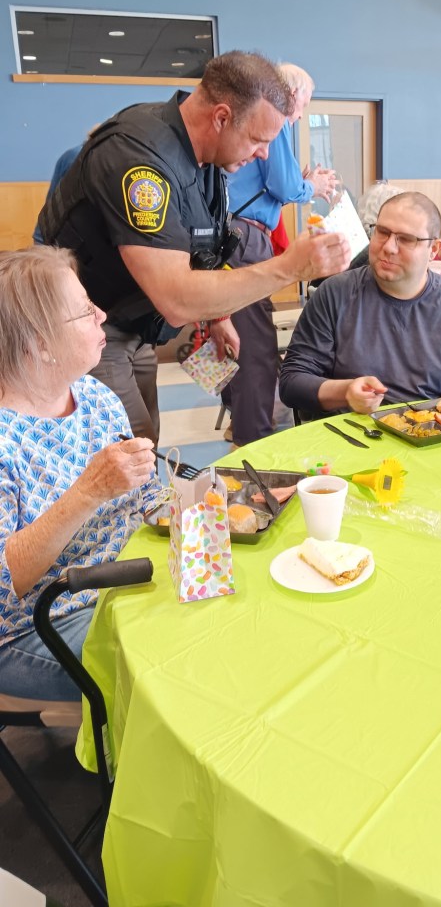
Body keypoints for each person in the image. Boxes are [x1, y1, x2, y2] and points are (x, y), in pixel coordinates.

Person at [38, 51, 350, 444]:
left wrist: (217, 317)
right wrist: (290, 267)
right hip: (87, 327)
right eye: (258, 139)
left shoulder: (205, 162)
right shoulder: (138, 159)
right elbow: (175, 298)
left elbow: (200, 247)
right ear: (221, 118)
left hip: (137, 324)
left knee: (147, 439)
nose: (264, 154)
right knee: (133, 449)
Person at [0, 248, 160, 701]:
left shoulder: (93, 395)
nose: (102, 315)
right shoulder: (5, 440)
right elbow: (4, 587)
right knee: (163, 661)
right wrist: (89, 491)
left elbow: (148, 498)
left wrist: (210, 508)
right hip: (33, 624)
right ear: (40, 344)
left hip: (120, 580)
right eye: (86, 310)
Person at [279, 191, 441, 418]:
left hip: (433, 431)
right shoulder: (334, 294)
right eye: (382, 232)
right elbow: (292, 382)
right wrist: (345, 392)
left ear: (434, 249)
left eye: (406, 239)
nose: (389, 247)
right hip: (350, 431)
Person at [217, 63, 337, 446]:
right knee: (256, 348)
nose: (299, 115)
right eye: (304, 104)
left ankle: (238, 422)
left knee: (230, 337)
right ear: (292, 94)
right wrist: (311, 185)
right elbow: (285, 186)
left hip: (225, 235)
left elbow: (272, 184)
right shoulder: (276, 117)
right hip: (244, 238)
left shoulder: (254, 118)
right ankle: (253, 444)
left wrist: (299, 181)